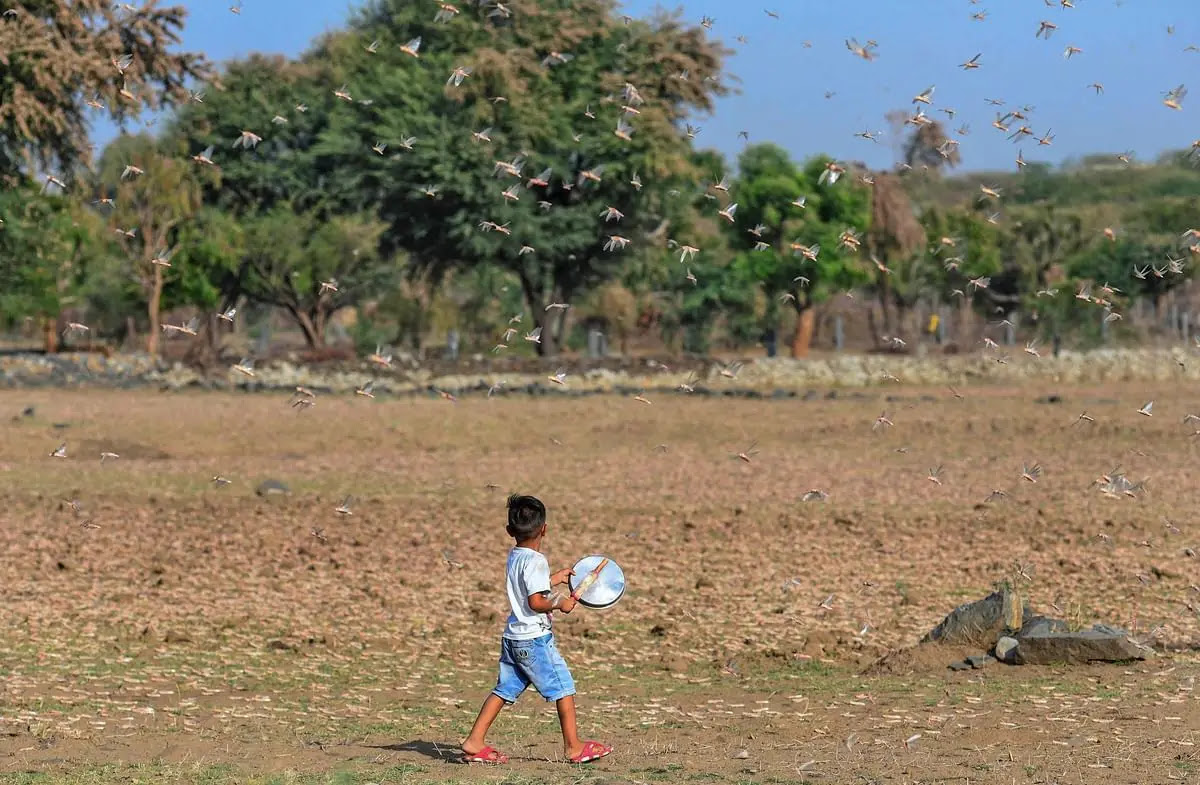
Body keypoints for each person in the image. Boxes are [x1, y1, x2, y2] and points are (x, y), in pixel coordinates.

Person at [460, 494, 613, 765]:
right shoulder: (536, 561)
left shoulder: (516, 556)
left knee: (505, 689)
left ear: (510, 531)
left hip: (513, 637)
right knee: (564, 687)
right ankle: (574, 747)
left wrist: (555, 579)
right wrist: (560, 603)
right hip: (534, 641)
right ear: (545, 528)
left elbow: (528, 586)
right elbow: (536, 600)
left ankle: (474, 741)